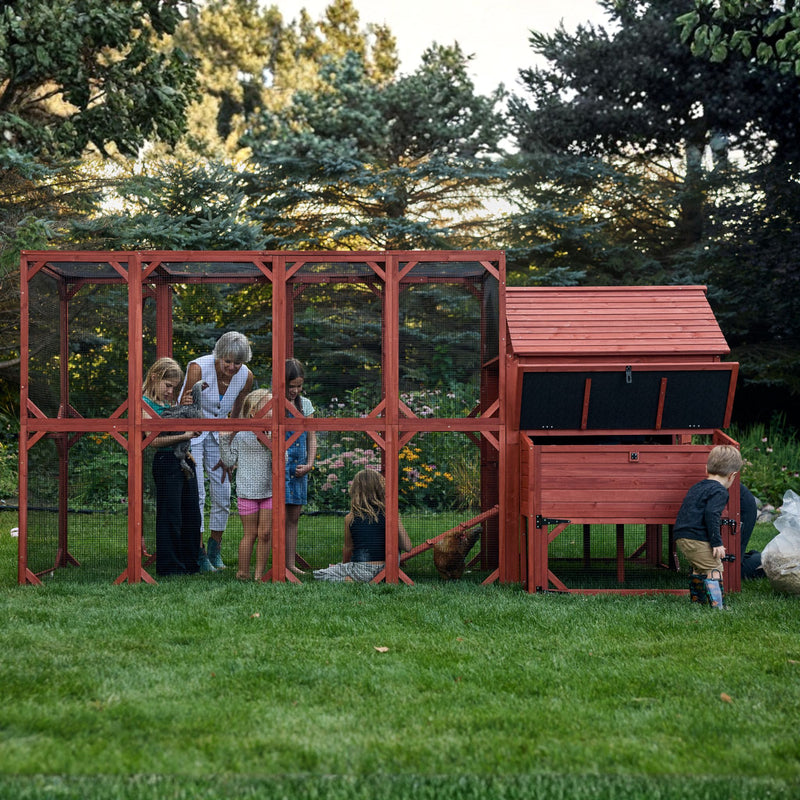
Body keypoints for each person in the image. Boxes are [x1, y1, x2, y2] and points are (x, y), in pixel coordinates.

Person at [181, 332, 254, 572]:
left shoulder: (246, 377)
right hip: (195, 433)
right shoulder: (197, 368)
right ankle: (199, 551)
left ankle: (215, 548)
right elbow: (185, 404)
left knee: (223, 491)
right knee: (199, 492)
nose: (232, 367)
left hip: (221, 435)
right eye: (228, 361)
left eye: (238, 363)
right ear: (218, 355)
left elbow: (238, 412)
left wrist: (230, 449)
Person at [142, 357, 202, 577]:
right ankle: (171, 568)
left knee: (191, 515)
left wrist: (186, 448)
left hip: (184, 461)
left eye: (174, 387)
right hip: (166, 463)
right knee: (171, 517)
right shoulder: (144, 404)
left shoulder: (170, 405)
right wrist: (185, 435)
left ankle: (190, 564)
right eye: (168, 386)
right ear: (155, 377)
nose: (170, 391)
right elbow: (153, 441)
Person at [314, 469, 412, 582]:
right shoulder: (390, 515)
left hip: (361, 571)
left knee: (320, 574)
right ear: (381, 489)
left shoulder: (350, 518)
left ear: (355, 490)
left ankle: (348, 580)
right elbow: (408, 547)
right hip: (388, 570)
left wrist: (344, 566)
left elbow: (348, 548)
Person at [674, 444, 743, 602]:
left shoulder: (697, 487)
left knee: (700, 567)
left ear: (706, 469)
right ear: (732, 476)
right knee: (715, 567)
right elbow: (711, 514)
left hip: (682, 535)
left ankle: (698, 600)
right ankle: (717, 605)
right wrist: (717, 543)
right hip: (696, 537)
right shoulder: (719, 491)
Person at [219, 389, 274, 582]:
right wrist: (224, 440)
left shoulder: (274, 435)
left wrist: (270, 443)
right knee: (250, 534)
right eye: (269, 408)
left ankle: (260, 575)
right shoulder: (242, 436)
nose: (273, 412)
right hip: (247, 492)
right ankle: (243, 572)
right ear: (253, 412)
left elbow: (282, 461)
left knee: (266, 534)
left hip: (269, 492)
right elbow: (228, 460)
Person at [283, 358, 317, 577]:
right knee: (274, 515)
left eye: (298, 385)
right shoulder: (271, 402)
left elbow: (311, 437)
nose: (295, 390)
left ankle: (290, 564)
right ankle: (276, 562)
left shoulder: (305, 405)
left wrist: (310, 464)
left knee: (293, 517)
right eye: (291, 385)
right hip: (279, 466)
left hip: (299, 467)